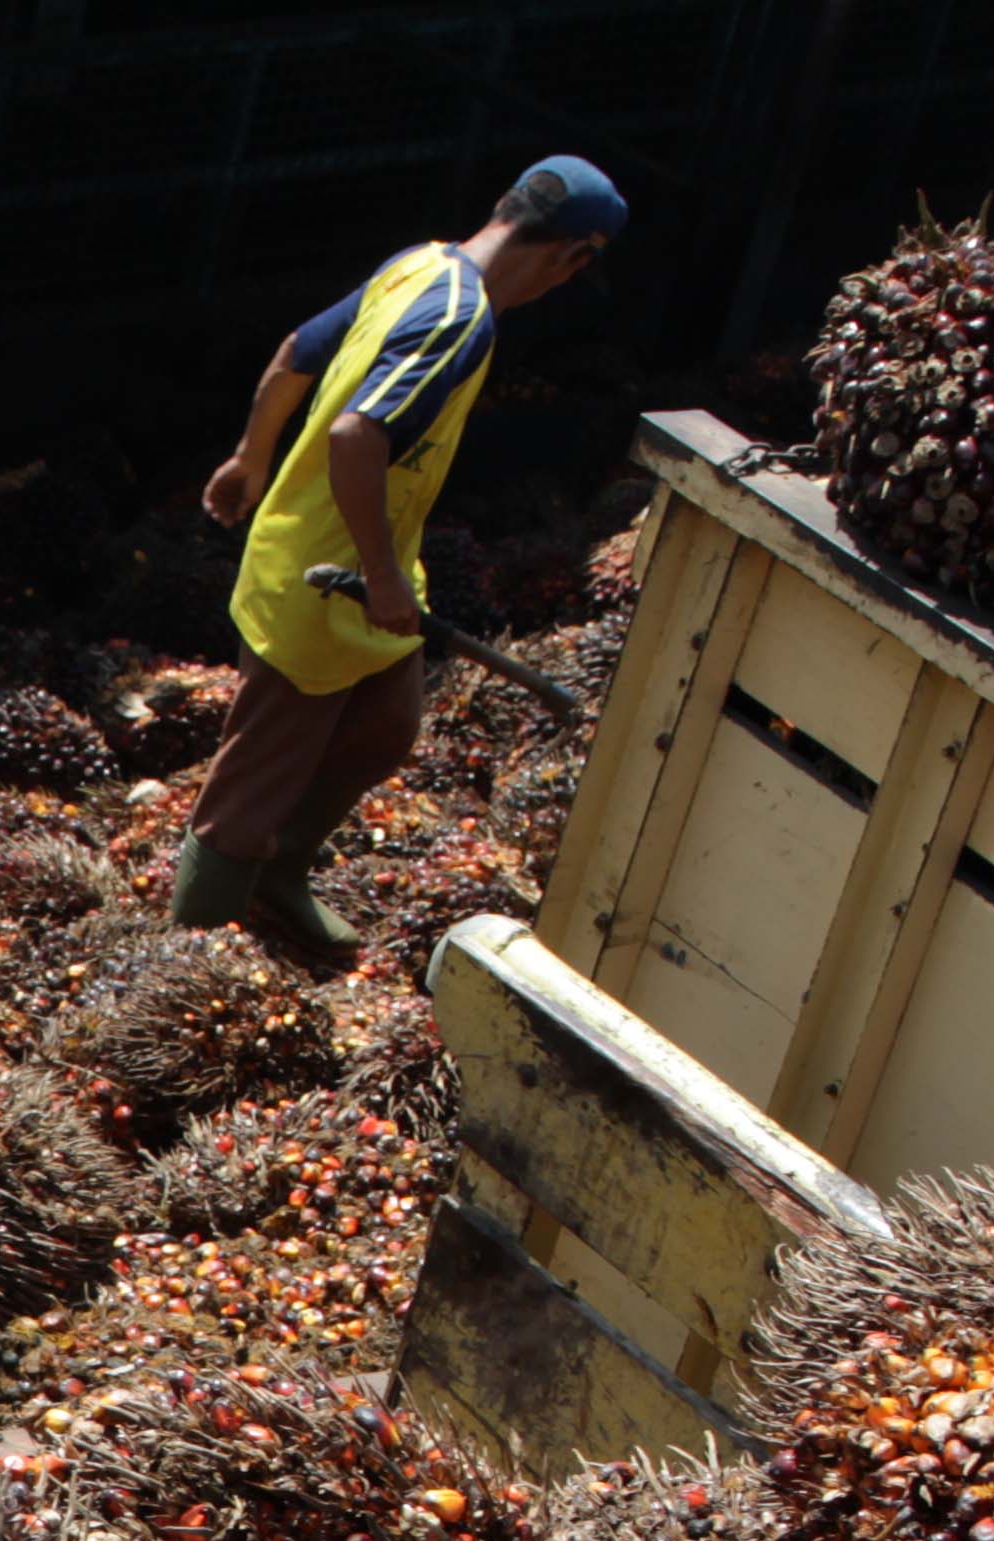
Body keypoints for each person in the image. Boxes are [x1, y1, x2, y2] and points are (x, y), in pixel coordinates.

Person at [175, 153, 624, 960]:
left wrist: (251, 455)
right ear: (571, 257)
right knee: (255, 778)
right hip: (324, 579)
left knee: (386, 727)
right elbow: (357, 435)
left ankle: (279, 875)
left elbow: (295, 352)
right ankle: (187, 954)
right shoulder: (460, 319)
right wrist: (379, 578)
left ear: (503, 203)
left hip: (368, 566)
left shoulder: (418, 263)